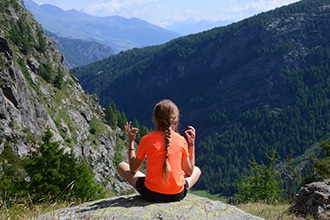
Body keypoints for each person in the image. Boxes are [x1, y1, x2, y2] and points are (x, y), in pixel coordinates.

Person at [117, 99, 201, 202]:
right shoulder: (181, 140)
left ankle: (153, 181)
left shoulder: (147, 139)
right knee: (197, 170)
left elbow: (133, 169)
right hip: (176, 195)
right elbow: (189, 172)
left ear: (155, 119)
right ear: (174, 120)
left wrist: (131, 142)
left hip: (150, 194)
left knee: (121, 165)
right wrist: (192, 144)